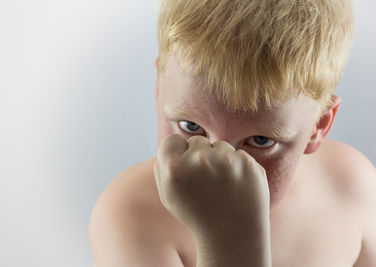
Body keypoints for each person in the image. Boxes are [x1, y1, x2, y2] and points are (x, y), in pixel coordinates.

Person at [89, 0, 376, 266]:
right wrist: (227, 243)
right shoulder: (129, 215)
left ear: (319, 126)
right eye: (191, 126)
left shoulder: (352, 185)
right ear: (158, 90)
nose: (219, 163)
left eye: (261, 140)